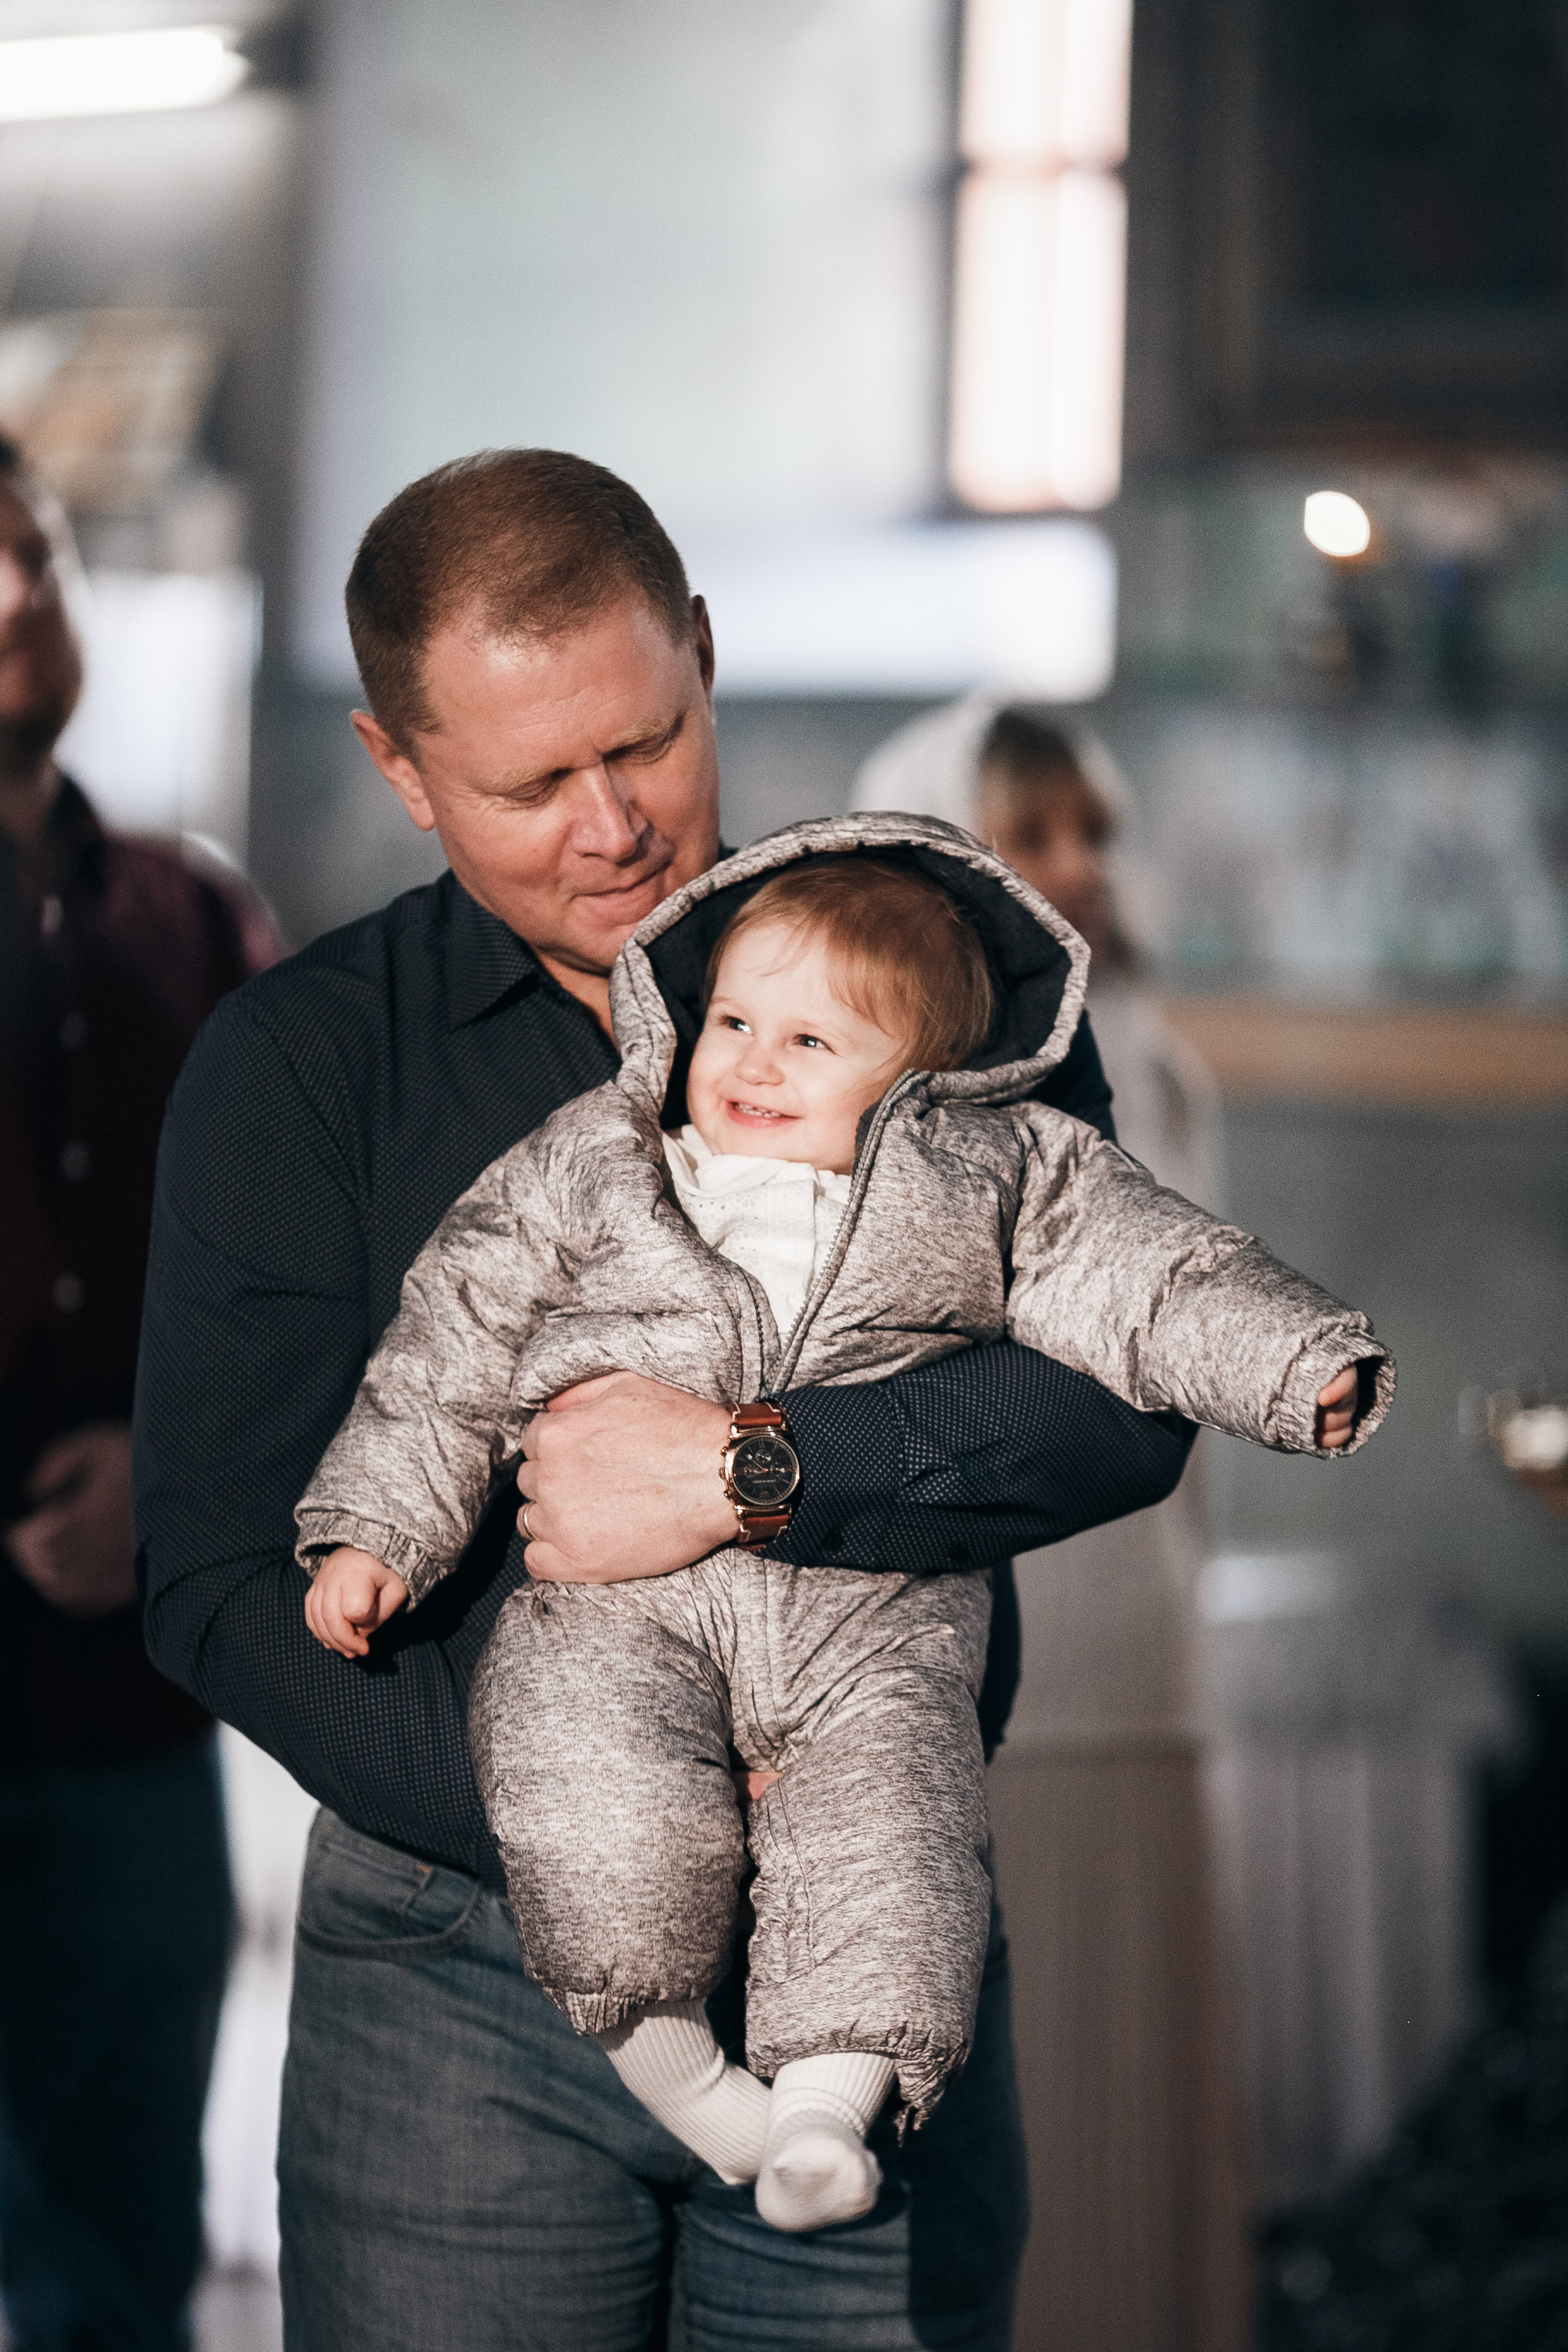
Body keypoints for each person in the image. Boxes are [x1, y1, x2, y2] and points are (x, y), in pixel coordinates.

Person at [136, 450, 1200, 2352]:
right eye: (530, 784)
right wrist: (607, 1817)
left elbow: (1128, 1405)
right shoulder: (298, 1069)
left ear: (704, 655)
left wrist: (756, 1472)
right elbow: (209, 1576)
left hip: (865, 1961)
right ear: (400, 766)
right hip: (453, 1985)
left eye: (648, 739)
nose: (614, 826)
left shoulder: (939, 975)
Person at [293, 821, 1390, 2241]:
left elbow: (1158, 1279)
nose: (750, 1062)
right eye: (735, 1021)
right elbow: (452, 1341)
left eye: (810, 1044)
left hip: (870, 1611)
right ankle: (689, 2084)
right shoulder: (602, 1160)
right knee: (580, 1773)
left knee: (892, 1826)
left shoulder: (1003, 1173)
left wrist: (1298, 1362)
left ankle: (825, 2114)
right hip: (622, 1602)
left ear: (924, 1081)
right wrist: (377, 1528)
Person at [854, 701, 1248, 2347]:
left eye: (1092, 829)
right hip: (962, 1660)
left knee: (1126, 2066)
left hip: (1137, 1643)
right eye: (1034, 834)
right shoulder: (879, 1080)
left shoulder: (1154, 1057)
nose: (1080, 867)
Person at [0, 437, 281, 2350]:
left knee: (119, 2266)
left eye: (37, 551)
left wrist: (174, 1470)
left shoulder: (191, 921)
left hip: (125, 1724)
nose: (20, 594)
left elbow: (302, 1290)